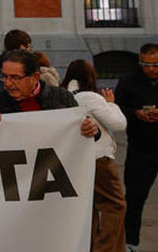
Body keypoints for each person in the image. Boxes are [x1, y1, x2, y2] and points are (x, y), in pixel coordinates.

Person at [62, 59, 128, 252]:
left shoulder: (63, 95)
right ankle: (106, 248)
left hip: (74, 160)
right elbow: (118, 124)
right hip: (99, 157)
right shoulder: (90, 97)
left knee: (87, 209)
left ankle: (90, 247)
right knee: (114, 205)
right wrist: (111, 104)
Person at [0, 50, 99, 139]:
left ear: (35, 78)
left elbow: (87, 131)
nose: (7, 83)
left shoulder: (61, 97)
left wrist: (92, 128)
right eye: (4, 76)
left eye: (15, 77)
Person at [115, 43, 158, 252]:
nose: (151, 69)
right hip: (140, 148)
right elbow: (116, 108)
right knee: (134, 198)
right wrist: (135, 113)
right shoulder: (128, 81)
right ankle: (130, 243)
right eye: (146, 64)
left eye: (156, 65)